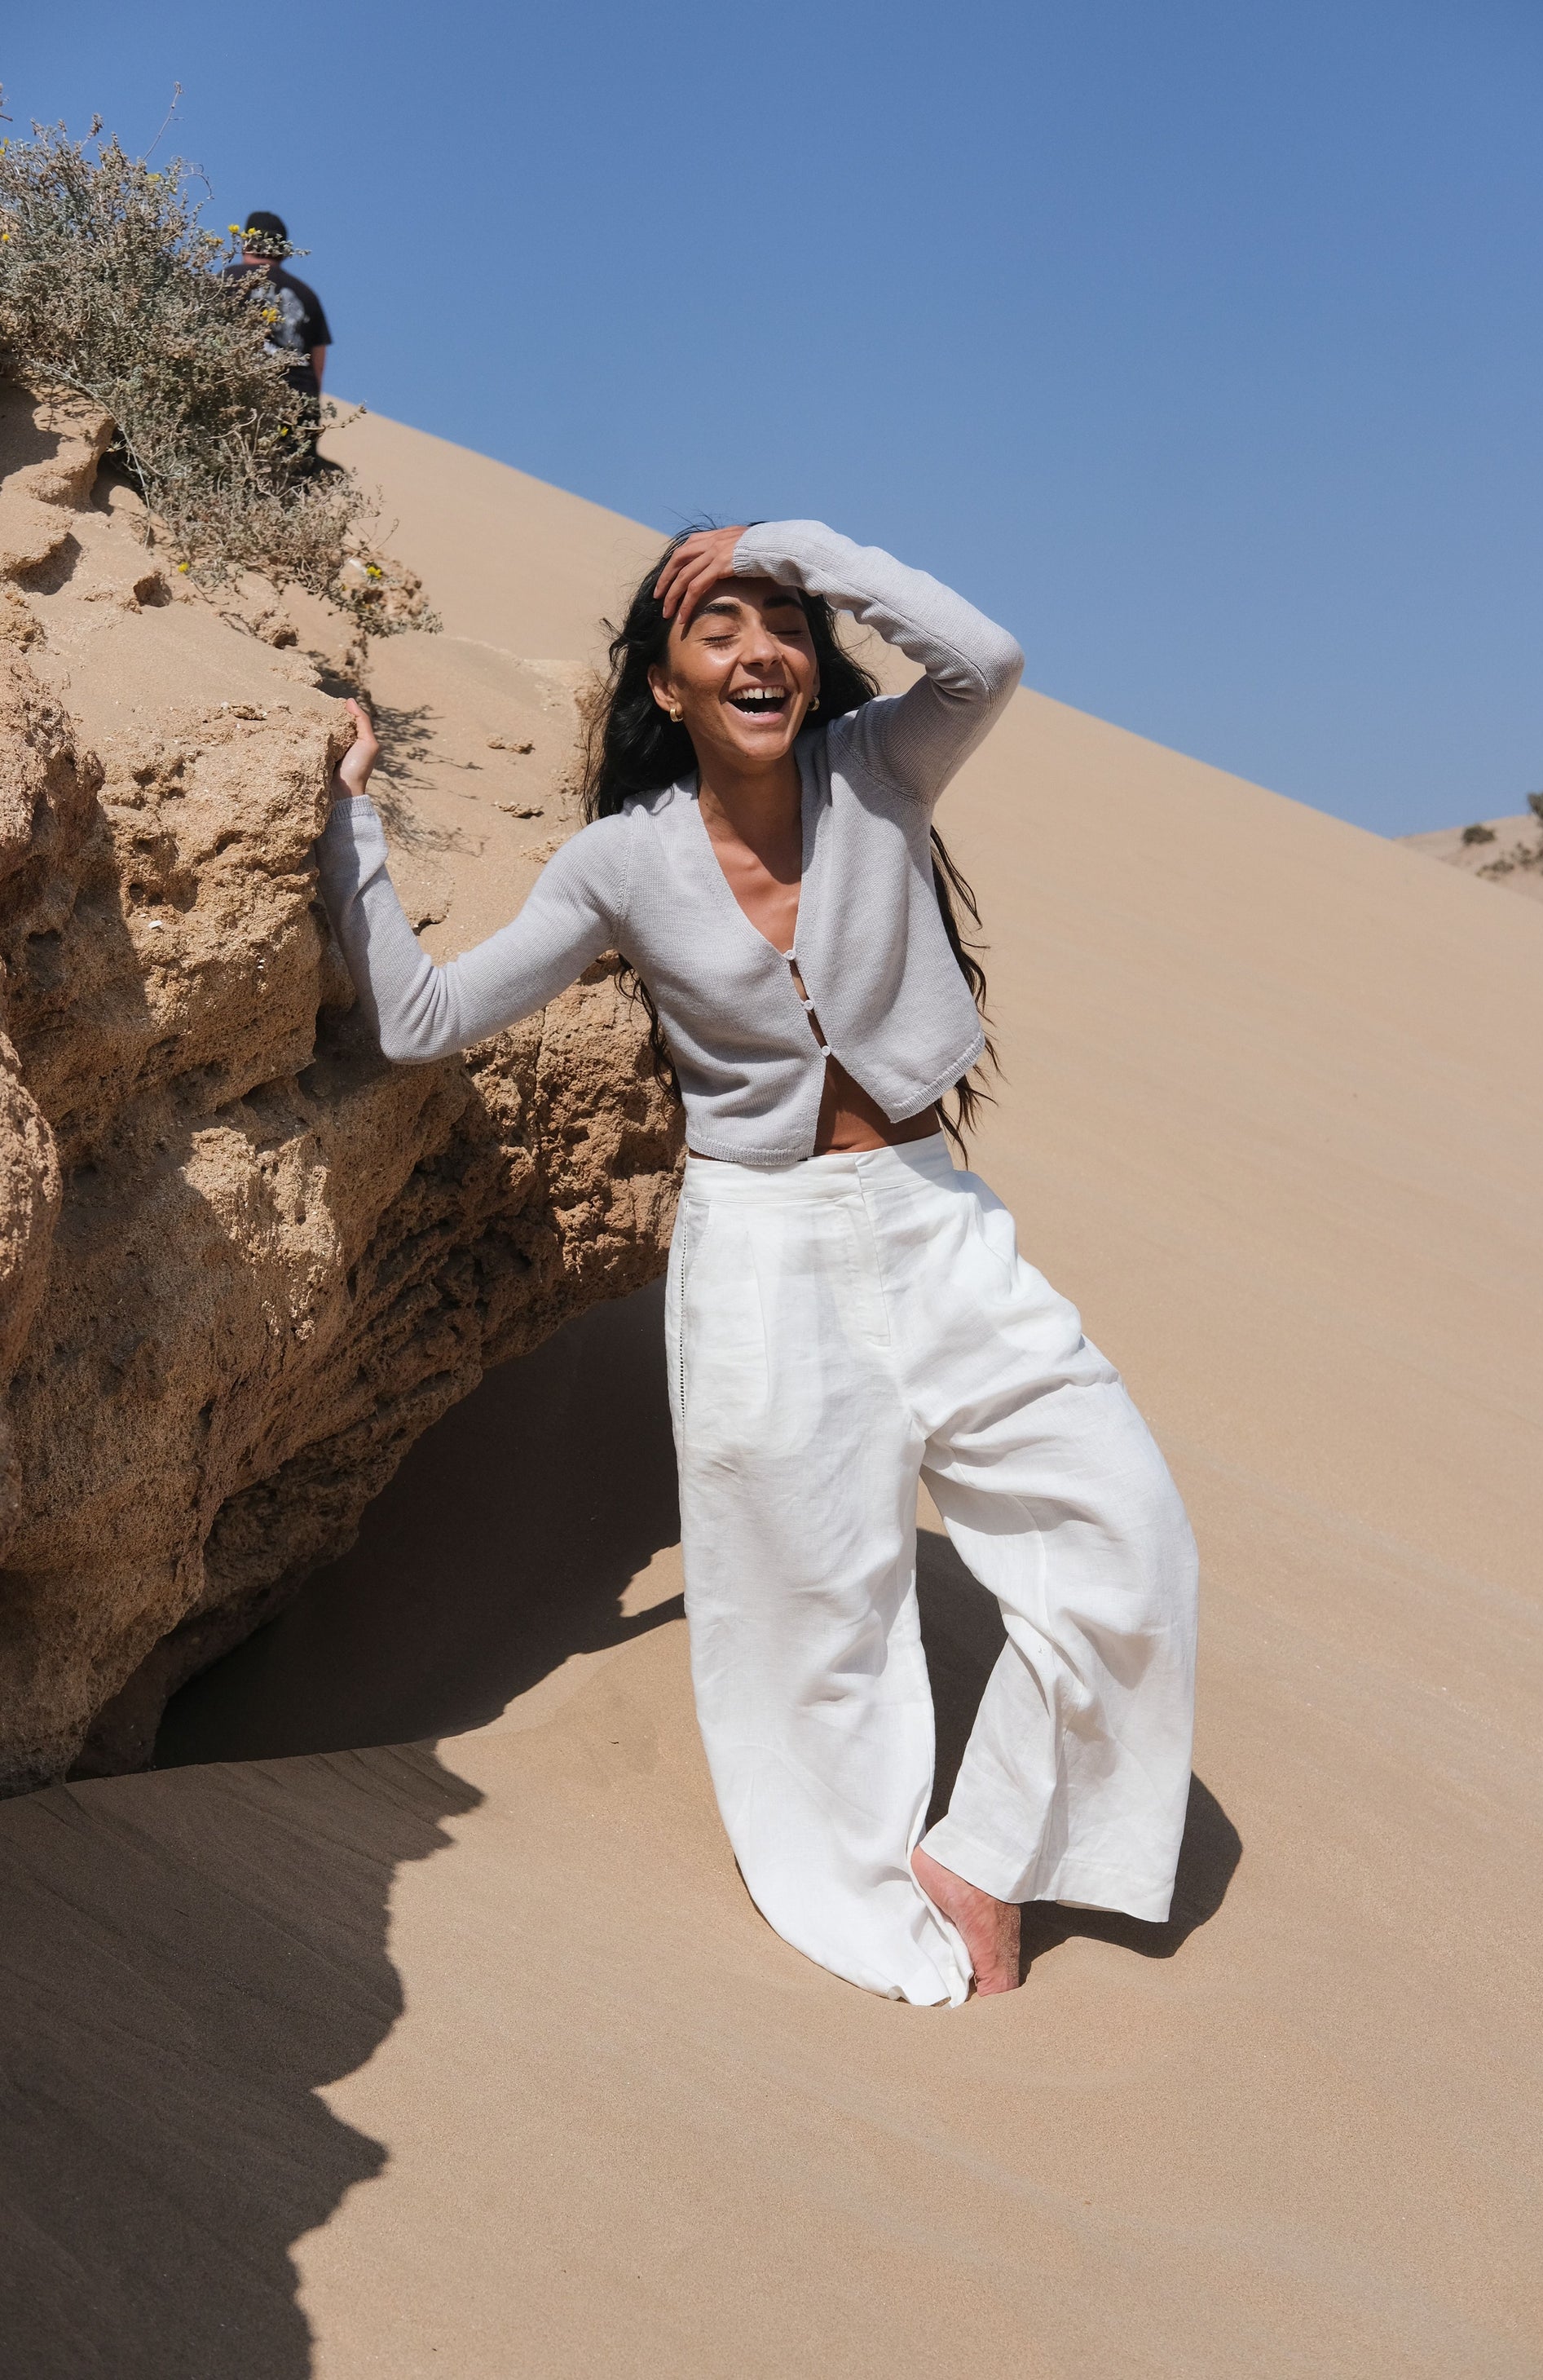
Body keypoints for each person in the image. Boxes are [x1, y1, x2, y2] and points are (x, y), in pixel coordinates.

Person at [315, 522, 1199, 2005]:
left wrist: (792, 542)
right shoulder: (621, 863)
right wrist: (352, 829)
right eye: (716, 627)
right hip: (762, 1256)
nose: (758, 648)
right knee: (815, 1619)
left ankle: (978, 1850)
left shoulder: (879, 769)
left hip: (931, 1218)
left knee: (1130, 1530)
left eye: (780, 620)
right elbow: (421, 1014)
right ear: (665, 687)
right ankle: (878, 1897)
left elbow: (988, 655)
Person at [224, 211, 331, 458]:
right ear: (283, 252)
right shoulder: (308, 296)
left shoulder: (228, 279)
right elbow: (318, 367)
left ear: (246, 243)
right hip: (298, 405)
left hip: (242, 395)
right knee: (288, 478)